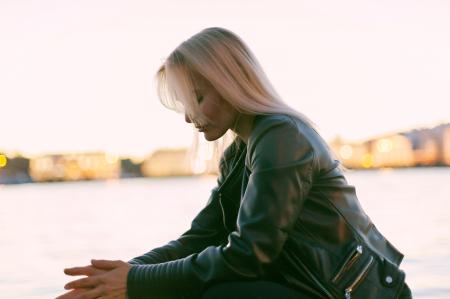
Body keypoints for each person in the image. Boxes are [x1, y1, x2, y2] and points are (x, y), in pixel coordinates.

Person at [58, 27, 412, 299]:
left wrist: (134, 283)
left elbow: (248, 255)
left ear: (230, 83)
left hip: (362, 294)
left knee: (219, 294)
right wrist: (120, 274)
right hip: (312, 288)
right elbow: (201, 237)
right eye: (185, 103)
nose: (188, 117)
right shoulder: (240, 152)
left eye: (197, 97)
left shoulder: (282, 136)